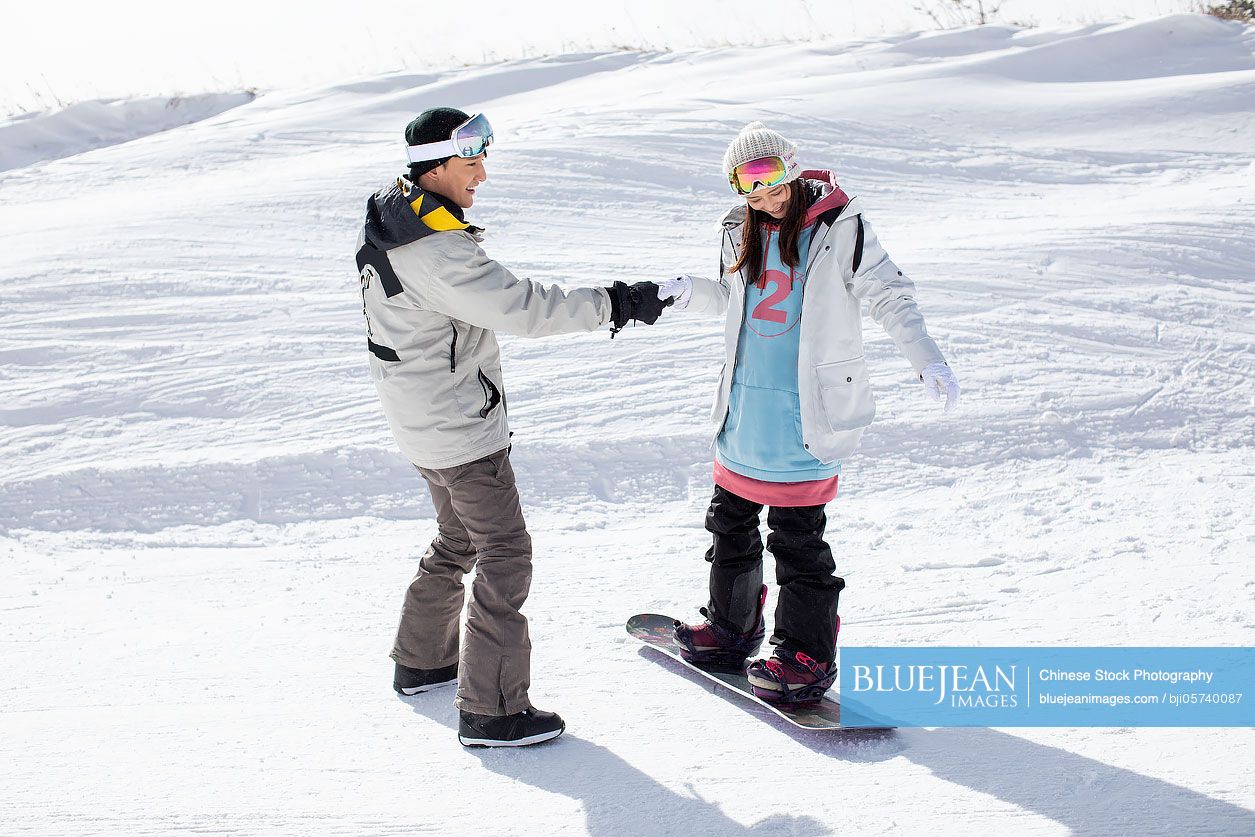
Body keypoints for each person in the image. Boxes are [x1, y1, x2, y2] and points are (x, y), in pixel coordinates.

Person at [355, 107, 670, 747]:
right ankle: (492, 710)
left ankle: (422, 661)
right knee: (504, 552)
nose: (483, 175)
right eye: (472, 163)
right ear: (436, 167)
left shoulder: (399, 220)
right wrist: (622, 303)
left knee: (457, 538)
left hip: (422, 420)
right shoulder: (435, 252)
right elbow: (525, 308)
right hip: (459, 428)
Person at [660, 122, 960, 704]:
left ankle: (807, 653)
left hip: (805, 414)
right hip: (746, 408)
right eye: (750, 186)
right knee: (729, 524)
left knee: (798, 539)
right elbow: (735, 298)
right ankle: (731, 625)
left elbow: (888, 293)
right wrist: (685, 291)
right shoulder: (738, 229)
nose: (765, 196)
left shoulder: (839, 228)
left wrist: (926, 358)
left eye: (773, 179)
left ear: (792, 169)